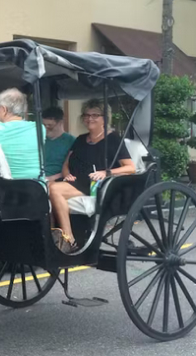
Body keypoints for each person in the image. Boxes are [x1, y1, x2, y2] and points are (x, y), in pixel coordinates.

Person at [48, 99, 135, 254]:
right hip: (75, 181)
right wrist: (67, 175)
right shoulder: (81, 139)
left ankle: (69, 239)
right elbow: (66, 164)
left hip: (96, 184)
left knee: (53, 188)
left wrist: (106, 172)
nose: (90, 119)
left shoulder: (113, 139)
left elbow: (130, 168)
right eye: (87, 115)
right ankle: (52, 236)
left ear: (105, 118)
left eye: (95, 115)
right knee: (44, 187)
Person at [42, 106, 75, 182]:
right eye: (44, 125)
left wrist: (50, 178)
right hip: (38, 178)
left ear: (60, 122)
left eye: (50, 126)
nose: (46, 128)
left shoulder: (71, 141)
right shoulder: (39, 139)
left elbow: (71, 168)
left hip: (58, 180)